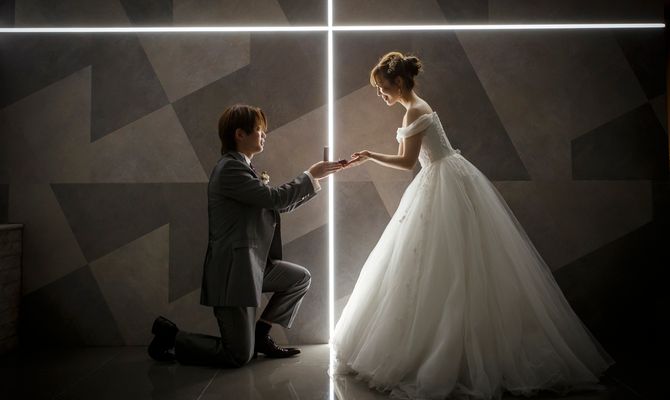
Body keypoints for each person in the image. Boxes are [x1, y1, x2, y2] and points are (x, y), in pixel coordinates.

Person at [331, 52, 615, 399]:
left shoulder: (415, 111)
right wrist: (370, 155)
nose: (380, 94)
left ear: (400, 82)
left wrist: (370, 156)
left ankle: (453, 353)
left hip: (442, 183)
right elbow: (414, 160)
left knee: (447, 266)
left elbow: (407, 163)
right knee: (448, 265)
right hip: (444, 179)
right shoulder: (415, 108)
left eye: (383, 87)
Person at [148, 104, 343, 367]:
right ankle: (171, 336)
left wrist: (315, 179)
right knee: (238, 355)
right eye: (259, 130)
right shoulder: (230, 169)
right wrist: (310, 175)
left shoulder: (243, 168)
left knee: (299, 278)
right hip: (234, 272)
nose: (264, 135)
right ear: (240, 134)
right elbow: (274, 198)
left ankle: (261, 335)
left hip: (253, 266)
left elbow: (276, 205)